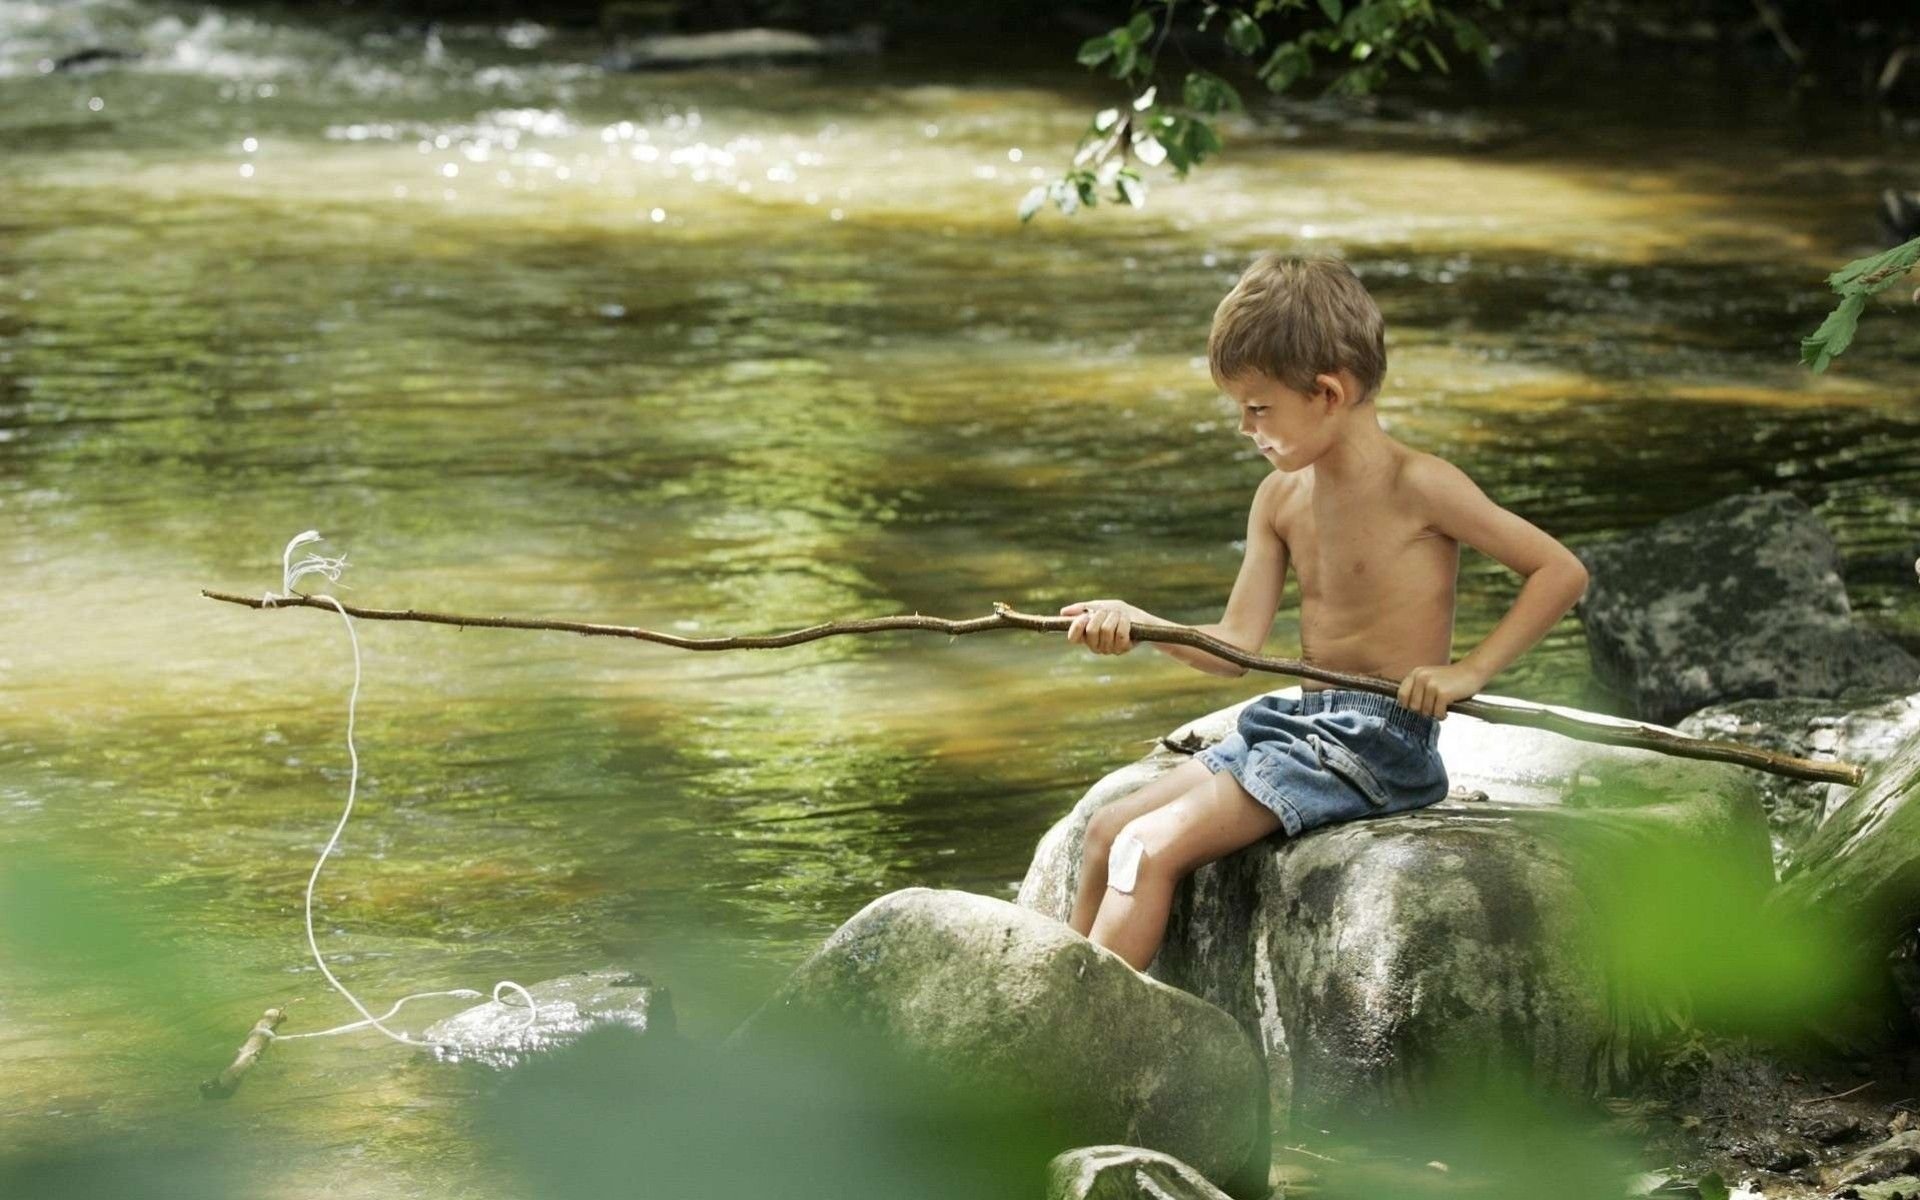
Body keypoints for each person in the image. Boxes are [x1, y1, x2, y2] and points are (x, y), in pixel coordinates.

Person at [1058, 254, 1589, 973]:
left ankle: (1085, 1043)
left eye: (1258, 407)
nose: (1247, 429)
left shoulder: (1421, 486)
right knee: (1107, 831)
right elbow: (1233, 647)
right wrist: (1140, 625)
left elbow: (1560, 571)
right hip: (1301, 730)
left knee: (1147, 850)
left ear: (1328, 392)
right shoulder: (1281, 499)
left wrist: (1468, 671)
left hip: (1378, 741)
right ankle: (1046, 1002)